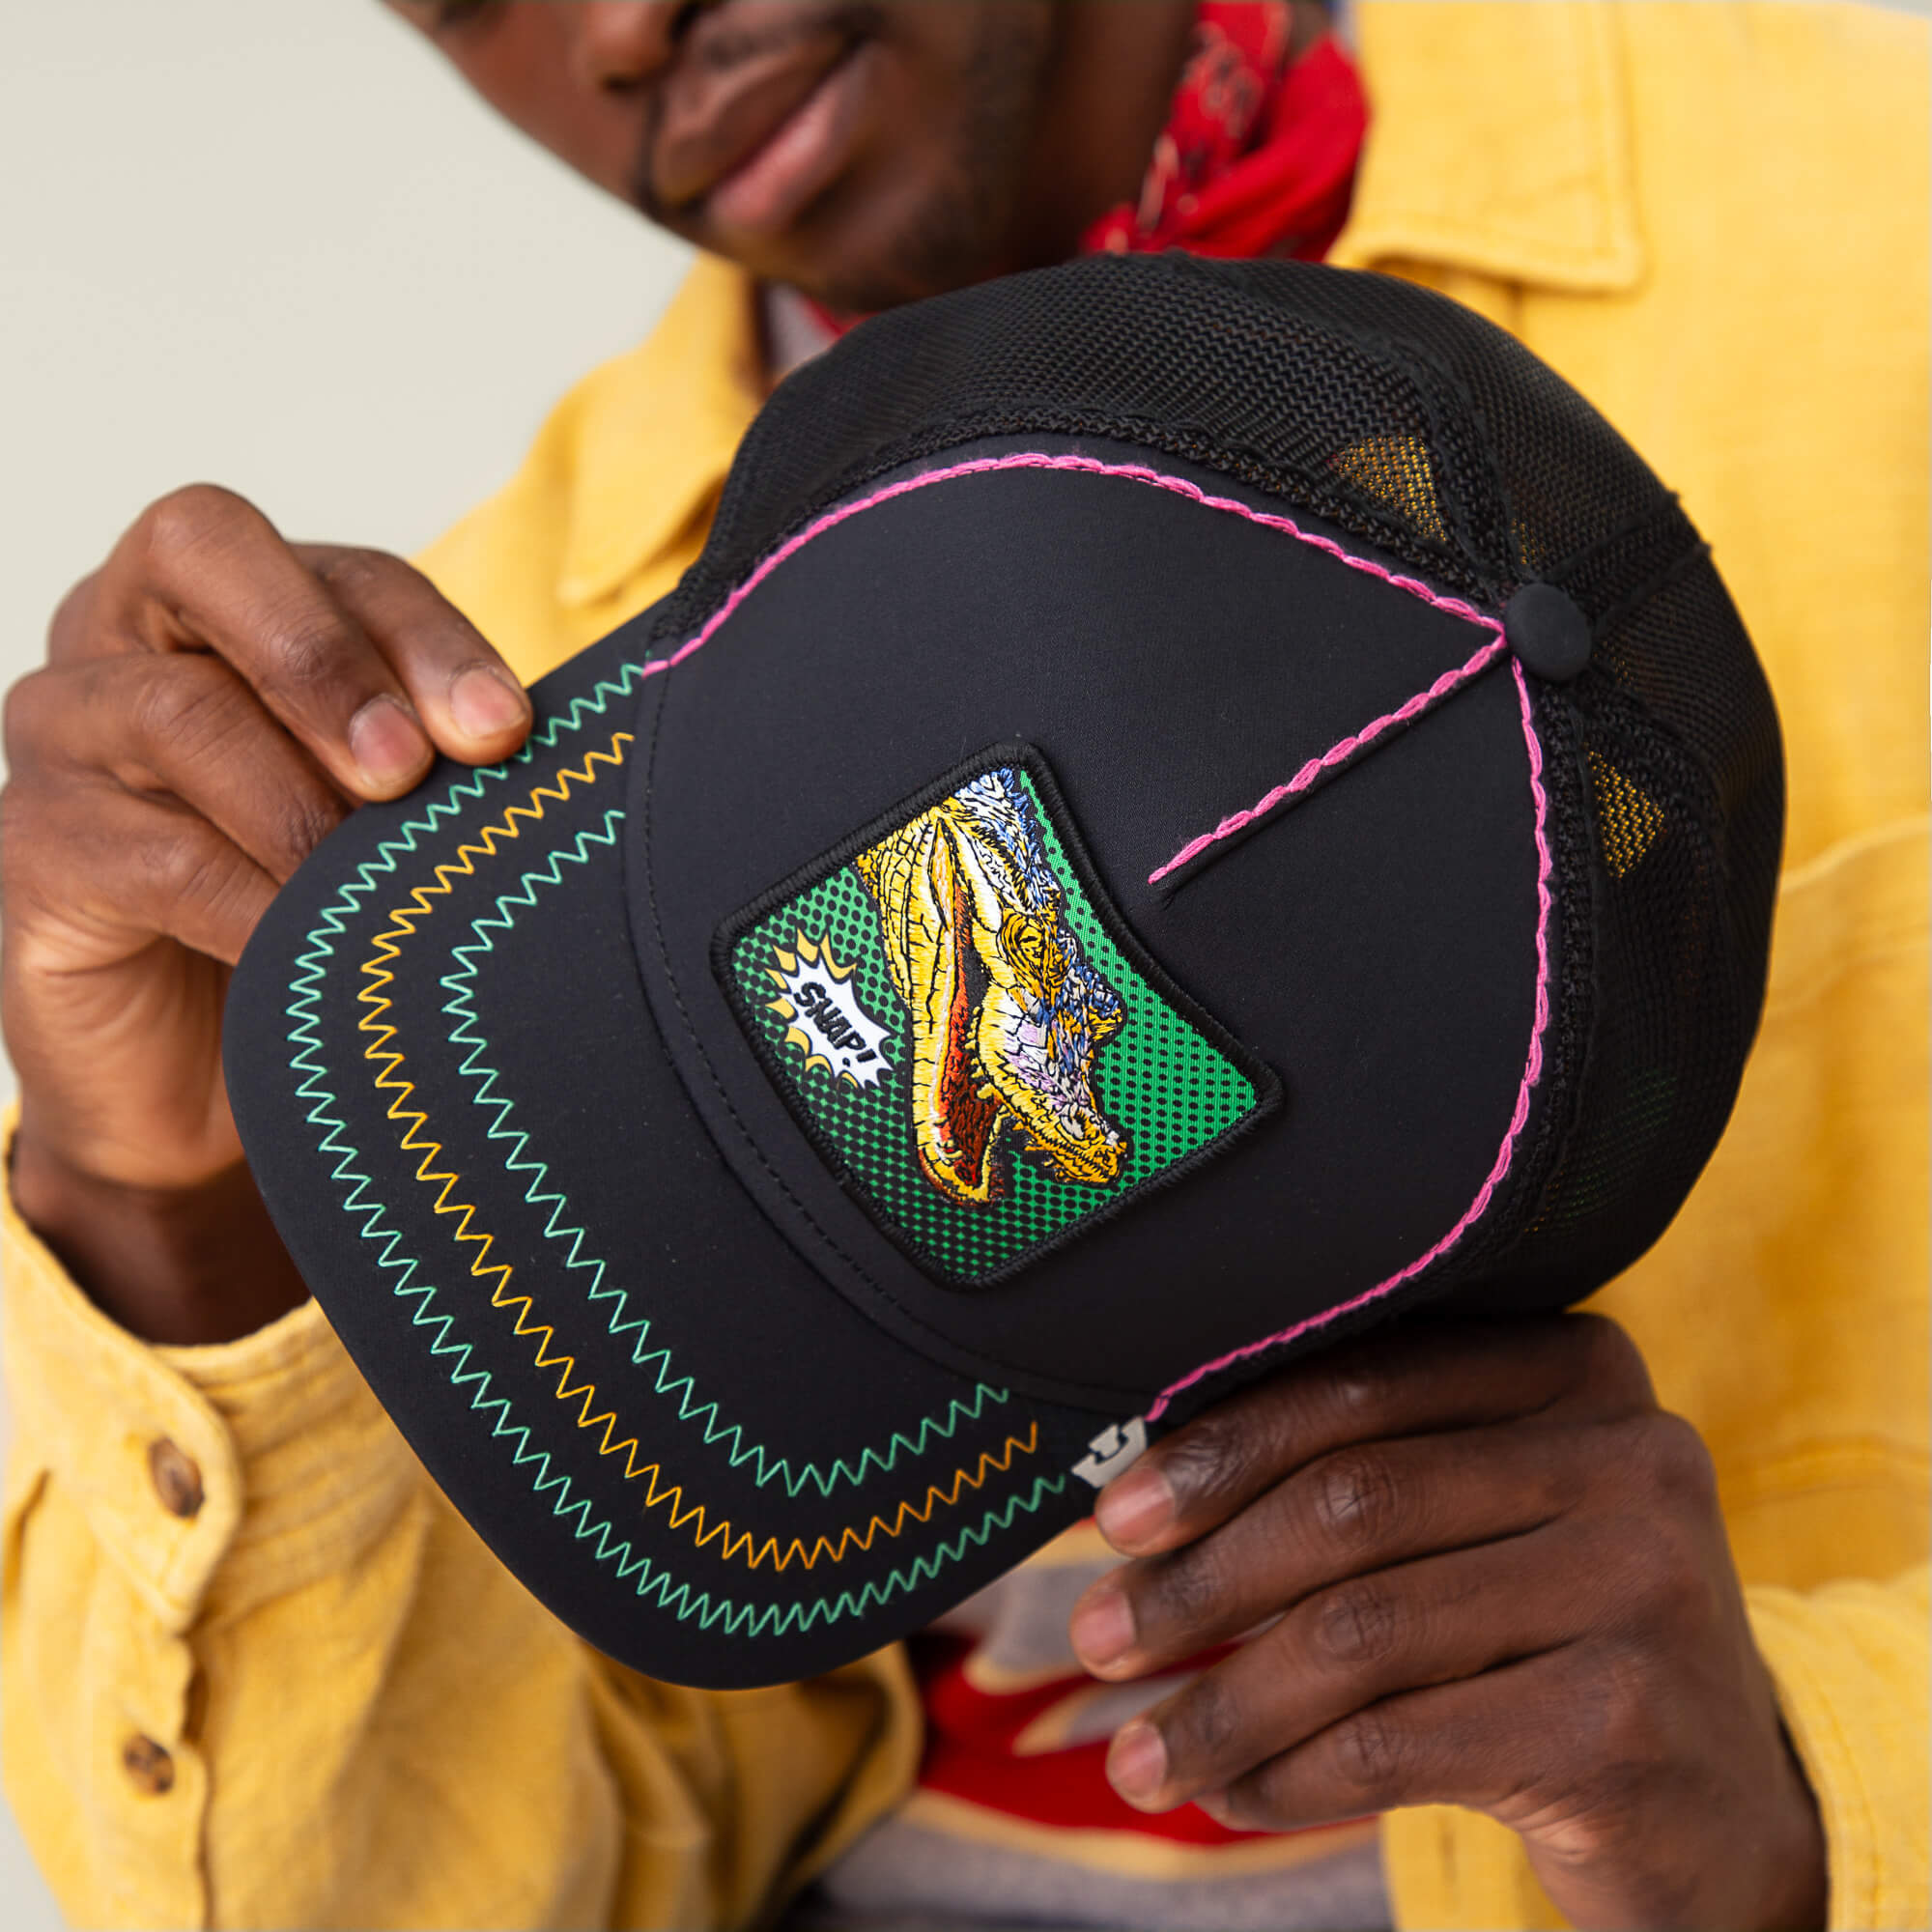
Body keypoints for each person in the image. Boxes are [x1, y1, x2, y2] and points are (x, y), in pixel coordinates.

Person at [0, 4, 1921, 1928]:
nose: (612, 23)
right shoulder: (491, 717)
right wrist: (167, 1197)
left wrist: (1809, 1791)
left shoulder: (1873, 230)